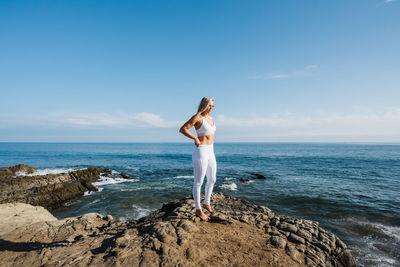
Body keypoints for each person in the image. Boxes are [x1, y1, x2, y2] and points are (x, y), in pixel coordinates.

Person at [179, 96, 217, 221]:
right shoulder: (197, 117)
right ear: (204, 105)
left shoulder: (211, 118)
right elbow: (183, 129)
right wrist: (194, 138)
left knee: (212, 179)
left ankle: (207, 203)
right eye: (209, 106)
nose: (210, 108)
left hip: (211, 151)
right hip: (201, 151)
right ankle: (198, 210)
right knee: (199, 181)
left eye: (212, 106)